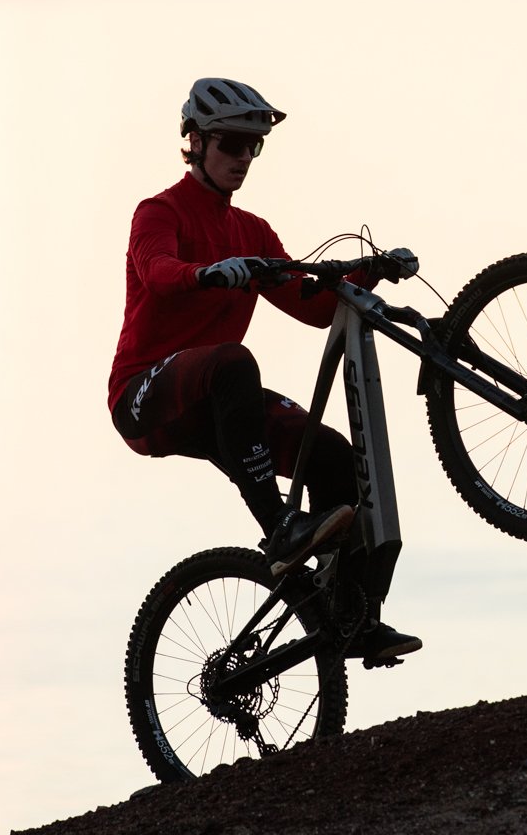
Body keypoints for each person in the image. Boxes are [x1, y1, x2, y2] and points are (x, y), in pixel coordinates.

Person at [108, 77, 421, 666]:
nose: (243, 158)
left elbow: (314, 307)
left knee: (332, 457)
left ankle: (349, 619)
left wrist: (371, 274)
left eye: (254, 146)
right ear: (196, 142)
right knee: (235, 363)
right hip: (145, 397)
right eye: (231, 143)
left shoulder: (251, 230)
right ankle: (280, 527)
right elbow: (157, 272)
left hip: (217, 401)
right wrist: (208, 274)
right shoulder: (159, 211)